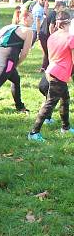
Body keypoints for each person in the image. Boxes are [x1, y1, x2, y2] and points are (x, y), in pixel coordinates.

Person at [28, 10, 74, 141]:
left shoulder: (52, 36)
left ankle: (65, 127)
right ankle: (33, 133)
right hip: (58, 74)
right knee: (50, 103)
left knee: (65, 99)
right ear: (68, 23)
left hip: (50, 71)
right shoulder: (71, 38)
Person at [0, 8, 34, 115]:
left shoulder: (11, 27)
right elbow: (25, 53)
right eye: (32, 18)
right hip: (8, 62)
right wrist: (15, 64)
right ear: (25, 18)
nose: (33, 20)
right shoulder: (28, 31)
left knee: (16, 80)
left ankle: (19, 106)